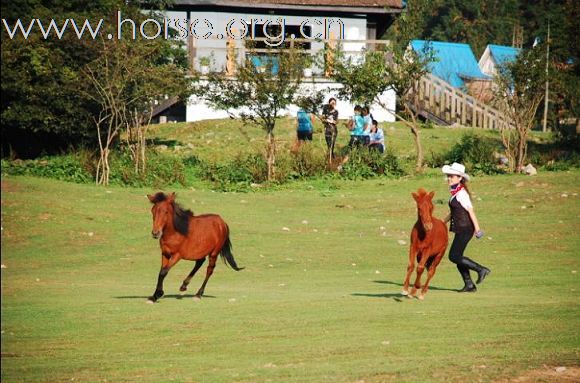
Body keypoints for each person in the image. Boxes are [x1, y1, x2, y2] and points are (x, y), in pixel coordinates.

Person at [442, 162, 491, 292]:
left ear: (459, 178)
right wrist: (442, 222)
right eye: (448, 176)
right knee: (458, 257)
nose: (449, 178)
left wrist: (477, 229)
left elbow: (471, 211)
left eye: (452, 176)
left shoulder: (462, 194)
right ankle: (469, 285)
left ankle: (481, 269)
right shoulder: (455, 193)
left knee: (454, 256)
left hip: (466, 229)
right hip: (461, 229)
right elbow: (453, 212)